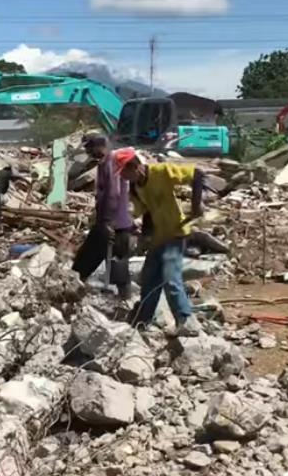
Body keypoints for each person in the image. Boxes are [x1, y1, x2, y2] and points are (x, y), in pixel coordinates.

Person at [116, 149, 205, 334]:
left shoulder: (162, 172)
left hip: (176, 233)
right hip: (159, 237)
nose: (124, 177)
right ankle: (143, 320)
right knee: (149, 278)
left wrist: (196, 206)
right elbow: (146, 212)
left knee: (170, 276)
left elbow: (197, 174)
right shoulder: (135, 188)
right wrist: (142, 236)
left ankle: (186, 320)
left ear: (136, 166)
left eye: (125, 172)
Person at [71, 134, 133, 298]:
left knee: (85, 260)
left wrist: (107, 222)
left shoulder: (108, 163)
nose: (89, 152)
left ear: (100, 147)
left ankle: (73, 291)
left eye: (90, 148)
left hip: (110, 223)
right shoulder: (115, 161)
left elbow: (113, 194)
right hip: (121, 222)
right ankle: (124, 298)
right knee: (118, 262)